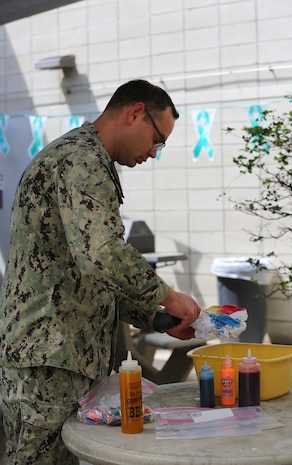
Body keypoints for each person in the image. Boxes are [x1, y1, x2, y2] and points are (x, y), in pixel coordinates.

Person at [0, 79, 201, 465]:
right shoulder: (82, 160)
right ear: (135, 113)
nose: (154, 154)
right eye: (157, 140)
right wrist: (165, 294)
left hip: (57, 356)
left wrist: (155, 317)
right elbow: (102, 253)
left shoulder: (82, 156)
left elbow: (88, 274)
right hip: (47, 359)